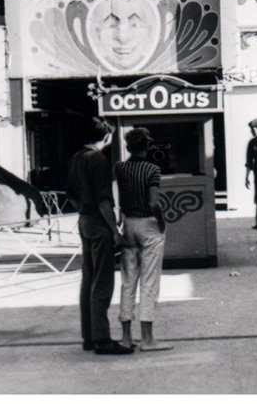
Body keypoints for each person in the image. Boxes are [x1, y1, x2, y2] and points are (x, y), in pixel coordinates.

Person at [66, 117, 133, 355]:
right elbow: (105, 201)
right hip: (98, 221)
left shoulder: (76, 158)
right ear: (106, 137)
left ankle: (89, 336)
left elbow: (71, 195)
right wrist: (115, 231)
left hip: (84, 220)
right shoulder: (99, 160)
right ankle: (102, 339)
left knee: (88, 279)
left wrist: (85, 210)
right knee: (102, 282)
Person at [115, 127, 172, 352]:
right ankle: (147, 338)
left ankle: (127, 337)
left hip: (128, 223)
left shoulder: (120, 168)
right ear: (146, 147)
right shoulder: (152, 169)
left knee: (128, 281)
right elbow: (153, 202)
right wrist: (161, 222)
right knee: (149, 282)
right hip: (148, 225)